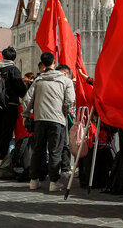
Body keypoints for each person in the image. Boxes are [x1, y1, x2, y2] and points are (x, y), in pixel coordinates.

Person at [24, 53, 75, 192]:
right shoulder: (66, 81)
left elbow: (28, 99)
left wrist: (26, 114)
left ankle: (33, 180)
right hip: (57, 119)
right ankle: (54, 181)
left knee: (38, 149)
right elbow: (70, 100)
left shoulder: (38, 80)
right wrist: (64, 111)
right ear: (54, 62)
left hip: (39, 119)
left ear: (43, 63)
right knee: (55, 151)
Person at [0, 46, 27, 171]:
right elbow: (20, 88)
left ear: (3, 56)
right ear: (14, 57)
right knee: (6, 133)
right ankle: (1, 160)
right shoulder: (13, 70)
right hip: (10, 105)